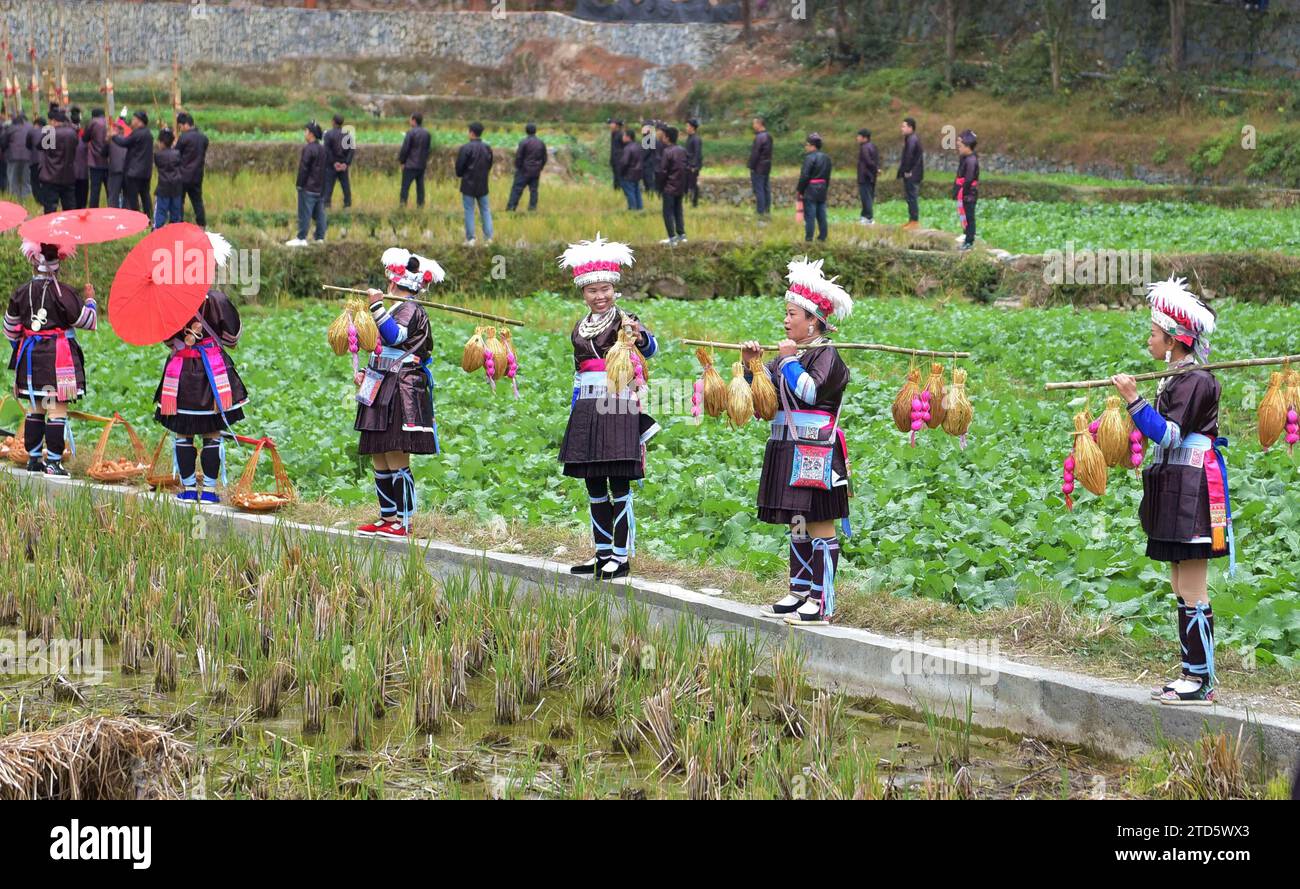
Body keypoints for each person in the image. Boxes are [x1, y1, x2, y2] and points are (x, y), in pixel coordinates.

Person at [1110, 277, 1228, 706]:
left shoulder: (1196, 381)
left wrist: (1133, 400)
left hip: (1194, 491)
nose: (1149, 340)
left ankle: (1202, 680)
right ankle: (1190, 673)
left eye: (1154, 334)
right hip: (1175, 488)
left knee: (1194, 587)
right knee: (1180, 584)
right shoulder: (1175, 378)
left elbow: (1170, 436)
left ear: (1176, 340)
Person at [745, 258, 854, 625]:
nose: (786, 320)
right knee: (797, 521)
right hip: (786, 445)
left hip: (816, 449)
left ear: (813, 320)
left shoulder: (827, 356)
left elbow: (809, 392)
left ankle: (821, 601)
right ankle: (799, 590)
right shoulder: (787, 357)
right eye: (786, 313)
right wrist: (753, 368)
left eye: (792, 314)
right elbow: (764, 400)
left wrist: (789, 362)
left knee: (819, 521)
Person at [558, 236, 659, 580]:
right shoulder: (579, 327)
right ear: (582, 293)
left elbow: (650, 346)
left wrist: (637, 335)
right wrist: (575, 410)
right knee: (593, 483)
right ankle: (601, 553)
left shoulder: (624, 321)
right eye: (592, 291)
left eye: (605, 289)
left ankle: (621, 554)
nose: (599, 296)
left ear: (614, 289)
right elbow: (576, 372)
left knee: (618, 481)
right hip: (587, 407)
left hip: (617, 404)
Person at [353, 248, 446, 540]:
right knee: (379, 453)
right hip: (381, 382)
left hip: (401, 386)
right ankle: (387, 516)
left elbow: (395, 337)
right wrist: (366, 372)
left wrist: (376, 307)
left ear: (393, 282)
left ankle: (403, 521)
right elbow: (383, 347)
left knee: (395, 452)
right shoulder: (395, 308)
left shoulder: (410, 309)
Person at [152, 232, 248, 504]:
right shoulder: (217, 299)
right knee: (211, 432)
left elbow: (167, 339)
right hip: (211, 375)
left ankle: (187, 488)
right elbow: (232, 338)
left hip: (179, 374)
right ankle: (208, 491)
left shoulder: (172, 298)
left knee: (183, 430)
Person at [4, 241, 97, 477]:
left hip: (31, 361)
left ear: (33, 263)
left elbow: (10, 329)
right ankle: (54, 462)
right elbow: (87, 321)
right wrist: (90, 302)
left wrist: (25, 342)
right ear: (58, 265)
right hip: (59, 358)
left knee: (36, 407)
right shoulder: (63, 293)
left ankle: (34, 459)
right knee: (56, 408)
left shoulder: (21, 292)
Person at [287, 121, 326, 247]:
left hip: (308, 187)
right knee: (320, 213)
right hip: (319, 188)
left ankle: (301, 238)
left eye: (306, 131)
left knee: (304, 213)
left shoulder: (308, 149)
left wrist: (299, 184)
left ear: (311, 134)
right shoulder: (322, 149)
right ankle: (320, 237)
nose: (305, 133)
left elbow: (304, 168)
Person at [455, 121, 494, 245]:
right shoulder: (487, 148)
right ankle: (488, 239)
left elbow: (459, 168)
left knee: (469, 210)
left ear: (471, 132)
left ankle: (471, 238)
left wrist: (462, 174)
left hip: (468, 184)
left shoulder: (466, 148)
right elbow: (489, 164)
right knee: (485, 210)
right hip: (483, 184)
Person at [112, 111, 153, 216]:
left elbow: (124, 142)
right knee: (145, 196)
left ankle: (137, 219)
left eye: (134, 119)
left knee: (133, 198)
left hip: (134, 172)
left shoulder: (138, 133)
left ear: (140, 122)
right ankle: (149, 217)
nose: (132, 121)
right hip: (146, 172)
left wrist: (113, 136)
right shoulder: (148, 133)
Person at [37, 110, 78, 213]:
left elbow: (39, 146)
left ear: (54, 121)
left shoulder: (51, 132)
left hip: (51, 175)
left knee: (50, 209)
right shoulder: (72, 133)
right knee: (69, 209)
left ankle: (51, 228)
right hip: (68, 176)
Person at [176, 112, 210, 226]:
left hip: (183, 175)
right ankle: (201, 225)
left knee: (179, 201)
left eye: (180, 127)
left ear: (185, 124)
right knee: (197, 202)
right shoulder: (203, 138)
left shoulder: (183, 138)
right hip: (197, 175)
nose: (180, 129)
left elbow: (176, 154)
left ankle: (179, 224)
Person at [797, 132, 831, 243]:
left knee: (810, 216)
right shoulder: (826, 158)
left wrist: (800, 189)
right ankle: (822, 237)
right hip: (822, 188)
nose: (805, 147)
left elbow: (805, 176)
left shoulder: (809, 158)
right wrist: (825, 187)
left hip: (810, 189)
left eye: (807, 144)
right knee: (821, 214)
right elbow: (827, 175)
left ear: (812, 146)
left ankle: (809, 239)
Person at [657, 124, 688, 245]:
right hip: (680, 186)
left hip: (669, 187)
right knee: (678, 211)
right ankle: (682, 235)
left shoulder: (667, 151)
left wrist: (660, 186)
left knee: (667, 212)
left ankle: (672, 238)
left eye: (663, 136)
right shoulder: (682, 150)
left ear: (667, 138)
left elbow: (663, 171)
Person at [506, 122, 546, 212]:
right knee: (534, 191)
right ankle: (532, 209)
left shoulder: (524, 142)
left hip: (524, 170)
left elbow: (519, 157)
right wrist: (540, 167)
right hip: (536, 171)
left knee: (516, 190)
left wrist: (519, 167)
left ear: (526, 131)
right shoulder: (541, 143)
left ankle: (511, 208)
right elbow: (544, 158)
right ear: (535, 131)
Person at [954, 129, 980, 250]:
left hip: (969, 193)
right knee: (964, 215)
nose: (958, 147)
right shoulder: (965, 157)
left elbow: (968, 179)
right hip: (964, 192)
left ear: (967, 146)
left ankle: (969, 240)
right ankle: (966, 235)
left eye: (960, 145)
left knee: (969, 216)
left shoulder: (971, 160)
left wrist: (963, 192)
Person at [397, 112, 430, 208]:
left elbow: (405, 149)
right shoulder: (427, 133)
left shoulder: (410, 133)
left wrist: (402, 161)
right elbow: (427, 150)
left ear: (414, 120)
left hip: (410, 165)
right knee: (420, 187)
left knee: (405, 187)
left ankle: (402, 207)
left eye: (410, 119)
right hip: (421, 165)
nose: (409, 121)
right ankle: (420, 207)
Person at [153, 128, 184, 228]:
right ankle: (177, 242)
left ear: (162, 142)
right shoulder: (177, 154)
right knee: (176, 217)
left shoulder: (157, 155)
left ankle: (156, 238)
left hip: (163, 188)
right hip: (176, 187)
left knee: (160, 215)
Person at [322, 114, 353, 211]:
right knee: (345, 186)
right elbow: (351, 150)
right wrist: (346, 163)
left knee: (328, 187)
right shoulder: (347, 135)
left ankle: (326, 207)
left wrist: (334, 162)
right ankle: (347, 205)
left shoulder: (328, 134)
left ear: (333, 122)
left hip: (331, 166)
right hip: (343, 165)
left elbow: (327, 150)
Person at [897, 117, 924, 229]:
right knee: (909, 197)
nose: (901, 128)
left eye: (904, 126)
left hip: (912, 173)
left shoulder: (912, 139)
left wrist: (907, 171)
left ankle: (914, 221)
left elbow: (909, 157)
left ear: (910, 128)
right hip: (912, 173)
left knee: (912, 196)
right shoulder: (909, 139)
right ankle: (911, 220)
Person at [83, 109, 110, 208]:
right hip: (109, 162)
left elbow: (85, 138)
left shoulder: (93, 123)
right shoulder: (109, 122)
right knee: (110, 191)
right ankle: (113, 212)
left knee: (95, 191)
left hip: (95, 161)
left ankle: (94, 213)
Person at [748, 116, 773, 218]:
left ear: (759, 124)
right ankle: (767, 211)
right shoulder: (769, 136)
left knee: (759, 190)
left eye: (754, 123)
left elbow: (755, 154)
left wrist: (751, 166)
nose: (753, 126)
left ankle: (760, 212)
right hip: (767, 165)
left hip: (758, 166)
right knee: (766, 188)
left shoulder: (759, 137)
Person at [4, 114, 31, 199]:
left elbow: (3, 143)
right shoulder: (29, 128)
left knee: (13, 179)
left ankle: (15, 201)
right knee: (26, 180)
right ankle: (26, 199)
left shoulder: (10, 129)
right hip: (27, 157)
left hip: (13, 157)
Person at [855, 128, 879, 225]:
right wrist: (876, 169)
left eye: (859, 136)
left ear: (864, 138)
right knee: (868, 196)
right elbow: (876, 160)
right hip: (871, 176)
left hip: (865, 176)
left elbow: (868, 161)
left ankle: (869, 218)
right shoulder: (873, 146)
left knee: (866, 198)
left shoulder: (864, 148)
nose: (857, 138)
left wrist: (875, 169)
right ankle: (864, 216)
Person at [106, 112, 128, 209]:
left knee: (115, 197)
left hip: (117, 170)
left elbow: (103, 153)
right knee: (123, 197)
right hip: (124, 171)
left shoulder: (113, 140)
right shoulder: (128, 138)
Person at [617, 129, 643, 211]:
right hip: (637, 173)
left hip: (628, 174)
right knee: (637, 192)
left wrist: (620, 172)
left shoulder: (627, 148)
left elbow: (624, 162)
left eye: (624, 135)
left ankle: (632, 209)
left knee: (630, 192)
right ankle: (640, 208)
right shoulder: (638, 146)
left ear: (628, 137)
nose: (622, 137)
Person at [70, 107, 89, 209]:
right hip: (83, 169)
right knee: (82, 196)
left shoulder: (67, 132)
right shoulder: (84, 133)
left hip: (71, 169)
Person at [684, 118, 703, 208]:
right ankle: (690, 201)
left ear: (692, 127)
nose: (686, 128)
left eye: (687, 126)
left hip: (693, 166)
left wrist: (694, 166)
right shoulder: (689, 138)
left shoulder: (696, 139)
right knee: (688, 183)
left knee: (693, 184)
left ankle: (694, 203)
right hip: (688, 164)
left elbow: (697, 153)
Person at [640, 121, 659, 202]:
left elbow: (645, 152)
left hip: (649, 164)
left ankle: (651, 198)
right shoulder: (648, 137)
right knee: (647, 182)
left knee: (649, 182)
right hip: (648, 164)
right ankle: (649, 197)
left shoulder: (650, 137)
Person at [607, 118, 624, 191]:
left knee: (620, 177)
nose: (610, 125)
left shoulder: (621, 134)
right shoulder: (613, 134)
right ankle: (616, 191)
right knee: (615, 177)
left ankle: (620, 191)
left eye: (612, 124)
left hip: (620, 160)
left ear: (617, 125)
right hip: (614, 160)